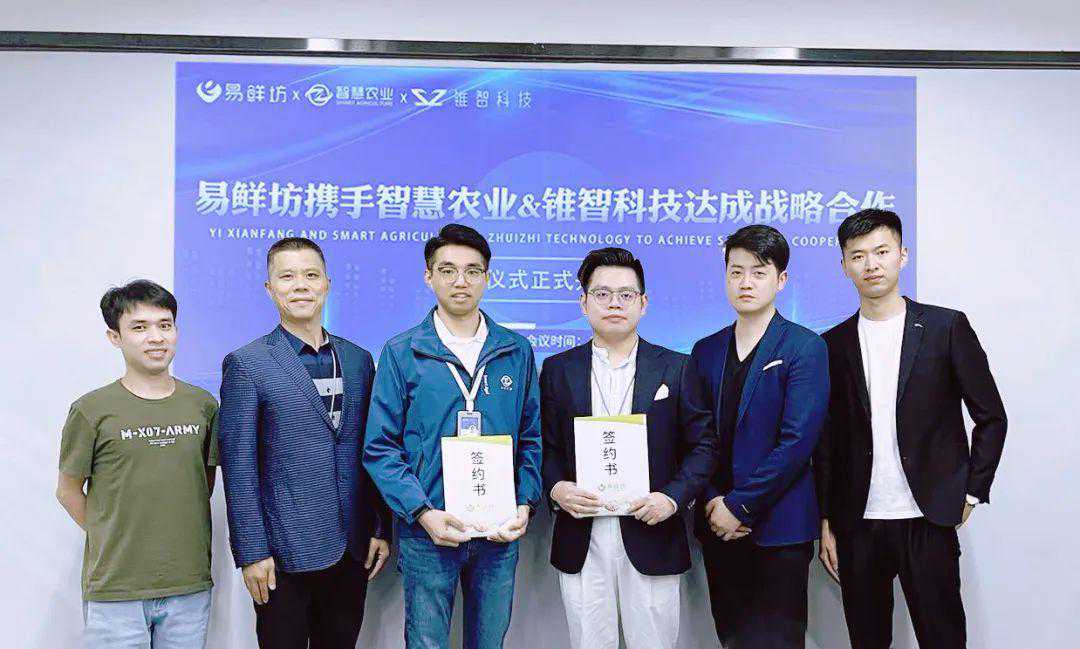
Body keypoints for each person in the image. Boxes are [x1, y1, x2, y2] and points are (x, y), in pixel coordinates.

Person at [814, 209, 1007, 649]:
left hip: (928, 516)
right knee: (867, 640)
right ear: (844, 266)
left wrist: (971, 493)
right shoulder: (831, 344)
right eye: (858, 256)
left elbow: (992, 416)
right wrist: (826, 519)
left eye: (881, 252)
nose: (871, 264)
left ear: (902, 255)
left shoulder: (945, 327)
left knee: (943, 638)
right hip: (858, 522)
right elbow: (827, 440)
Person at [364, 223, 542, 649]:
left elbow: (531, 438)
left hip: (499, 533)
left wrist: (524, 503)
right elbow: (380, 448)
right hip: (429, 530)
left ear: (487, 277)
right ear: (429, 277)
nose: (460, 281)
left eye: (472, 270)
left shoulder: (515, 351)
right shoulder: (402, 352)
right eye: (447, 270)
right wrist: (422, 512)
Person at [217, 237, 391, 649]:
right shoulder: (247, 364)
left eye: (311, 275)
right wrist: (252, 552)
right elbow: (239, 467)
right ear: (269, 288)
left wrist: (381, 526)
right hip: (282, 553)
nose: (300, 285)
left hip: (352, 547)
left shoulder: (359, 360)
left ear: (327, 284)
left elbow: (374, 449)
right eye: (287, 276)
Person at [540, 247, 717, 649]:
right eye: (602, 294)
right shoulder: (557, 369)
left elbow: (704, 445)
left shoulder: (677, 367)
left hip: (651, 527)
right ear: (584, 302)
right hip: (582, 533)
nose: (614, 303)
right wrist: (557, 488)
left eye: (626, 294)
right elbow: (545, 445)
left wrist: (671, 498)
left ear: (643, 302)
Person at [56, 280, 218, 648]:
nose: (156, 337)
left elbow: (202, 484)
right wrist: (113, 533)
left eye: (165, 325)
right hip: (116, 591)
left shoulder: (203, 405)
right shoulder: (92, 410)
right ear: (114, 337)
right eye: (140, 327)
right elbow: (67, 491)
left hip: (188, 585)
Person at [690, 225, 829, 648]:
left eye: (758, 272)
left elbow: (797, 442)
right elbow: (697, 437)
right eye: (736, 272)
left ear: (780, 279)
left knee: (779, 641)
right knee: (732, 637)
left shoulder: (805, 347)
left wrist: (740, 505)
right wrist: (714, 501)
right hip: (718, 524)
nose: (745, 282)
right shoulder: (706, 350)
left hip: (779, 527)